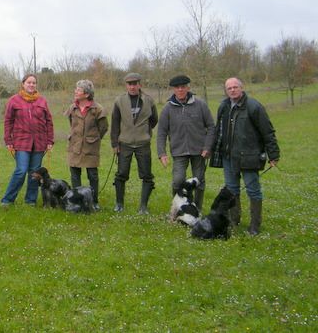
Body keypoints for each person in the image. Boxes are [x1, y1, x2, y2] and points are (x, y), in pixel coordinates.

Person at [213, 77, 280, 235]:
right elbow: (219, 131)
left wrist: (274, 154)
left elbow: (268, 132)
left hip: (249, 157)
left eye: (235, 87)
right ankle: (234, 221)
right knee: (232, 190)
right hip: (229, 157)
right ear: (226, 90)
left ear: (241, 88)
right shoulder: (223, 106)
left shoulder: (254, 107)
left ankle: (255, 225)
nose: (232, 90)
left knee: (253, 191)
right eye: (229, 88)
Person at [157, 75, 215, 210]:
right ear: (173, 89)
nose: (180, 90)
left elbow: (211, 126)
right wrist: (162, 153)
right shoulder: (167, 108)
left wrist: (207, 147)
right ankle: (177, 210)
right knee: (177, 181)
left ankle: (197, 209)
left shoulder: (200, 105)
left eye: (183, 87)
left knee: (199, 181)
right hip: (179, 151)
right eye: (177, 87)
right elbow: (161, 132)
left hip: (199, 151)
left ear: (188, 87)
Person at [0, 74, 54, 206]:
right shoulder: (14, 100)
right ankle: (7, 200)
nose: (31, 85)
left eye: (34, 83)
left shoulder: (42, 101)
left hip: (40, 143)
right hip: (21, 142)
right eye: (29, 82)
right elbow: (8, 121)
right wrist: (8, 141)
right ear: (23, 84)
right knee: (21, 170)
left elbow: (49, 121)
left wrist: (50, 141)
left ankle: (30, 200)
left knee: (34, 173)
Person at [110, 72, 158, 214]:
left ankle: (143, 206)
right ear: (126, 85)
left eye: (135, 84)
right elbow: (115, 123)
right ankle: (119, 204)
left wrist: (145, 132)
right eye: (129, 84)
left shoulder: (148, 100)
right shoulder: (119, 101)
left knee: (146, 175)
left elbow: (154, 119)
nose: (132, 87)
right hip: (124, 142)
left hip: (143, 143)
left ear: (139, 85)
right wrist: (114, 143)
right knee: (121, 174)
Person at [64, 79, 108, 210]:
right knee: (74, 174)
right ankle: (76, 201)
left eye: (79, 90)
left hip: (91, 147)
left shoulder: (98, 109)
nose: (75, 91)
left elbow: (103, 128)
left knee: (92, 175)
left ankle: (94, 201)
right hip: (74, 146)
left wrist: (92, 138)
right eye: (76, 89)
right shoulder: (72, 108)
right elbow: (71, 123)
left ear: (87, 94)